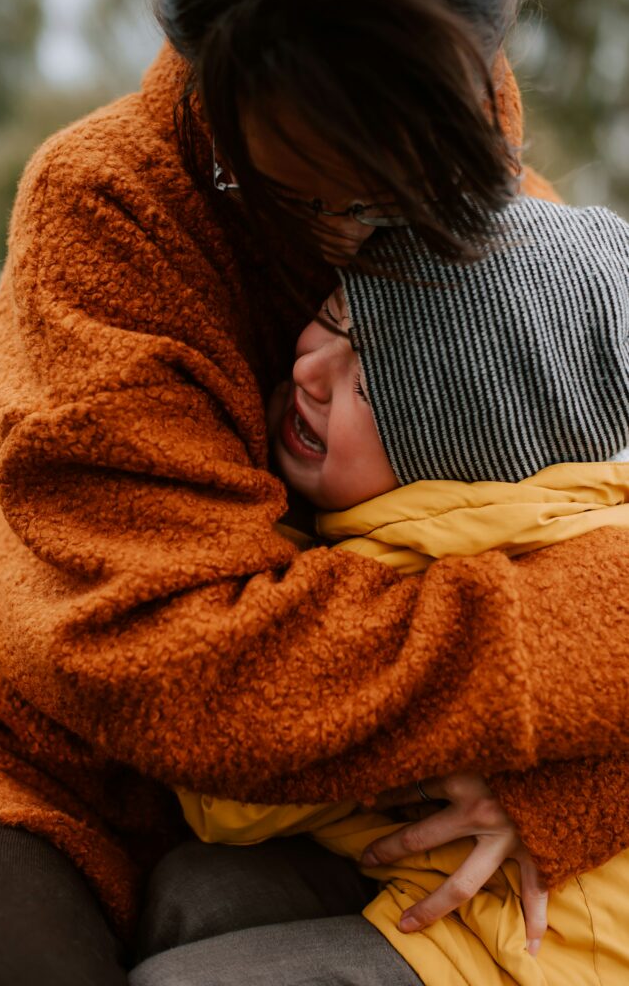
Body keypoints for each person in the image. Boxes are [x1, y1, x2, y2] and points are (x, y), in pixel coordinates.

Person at [0, 0, 628, 984]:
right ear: (210, 83)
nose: (346, 236)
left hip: (359, 791)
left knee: (219, 904)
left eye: (392, 195)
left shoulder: (506, 238)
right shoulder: (106, 206)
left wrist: (571, 789)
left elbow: (570, 514)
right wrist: (573, 657)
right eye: (290, 191)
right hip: (54, 765)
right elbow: (185, 671)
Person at [173, 193, 629, 985]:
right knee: (191, 893)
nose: (309, 370)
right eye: (336, 315)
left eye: (372, 390)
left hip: (536, 950)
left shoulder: (415, 562)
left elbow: (231, 787)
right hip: (468, 902)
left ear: (461, 455)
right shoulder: (565, 497)